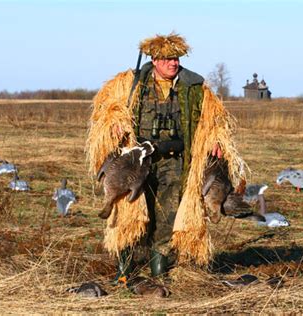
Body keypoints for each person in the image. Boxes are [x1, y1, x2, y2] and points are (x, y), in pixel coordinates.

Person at [86, 32, 246, 284]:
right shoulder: (129, 84)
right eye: (169, 58)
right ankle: (125, 270)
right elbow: (106, 112)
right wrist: (114, 124)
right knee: (130, 212)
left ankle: (158, 269)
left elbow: (214, 119)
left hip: (175, 162)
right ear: (155, 58)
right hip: (135, 162)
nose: (174, 63)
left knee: (167, 214)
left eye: (177, 58)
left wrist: (216, 138)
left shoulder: (194, 87)